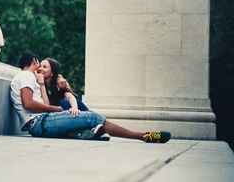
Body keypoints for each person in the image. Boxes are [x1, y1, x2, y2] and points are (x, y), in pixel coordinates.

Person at [10, 51, 171, 143]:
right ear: (34, 61)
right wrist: (56, 108)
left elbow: (68, 97)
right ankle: (143, 136)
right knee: (94, 118)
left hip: (43, 122)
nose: (40, 67)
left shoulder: (39, 80)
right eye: (39, 63)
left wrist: (67, 106)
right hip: (40, 123)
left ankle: (89, 131)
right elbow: (28, 103)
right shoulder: (25, 76)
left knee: (90, 120)